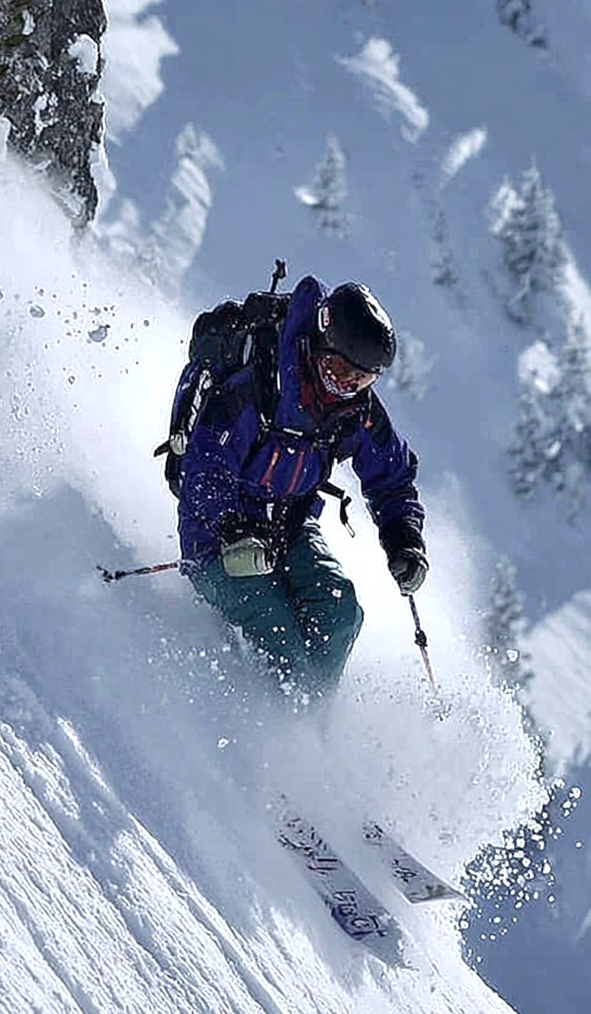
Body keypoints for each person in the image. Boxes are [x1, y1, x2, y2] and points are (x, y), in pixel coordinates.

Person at [176, 274, 427, 697]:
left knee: (339, 612)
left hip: (289, 526)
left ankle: (312, 713)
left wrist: (403, 538)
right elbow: (203, 467)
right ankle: (272, 721)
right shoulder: (259, 385)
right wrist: (231, 528)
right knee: (281, 637)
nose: (345, 386)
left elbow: (393, 476)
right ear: (320, 343)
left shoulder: (354, 410)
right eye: (339, 371)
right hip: (217, 537)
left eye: (361, 380)